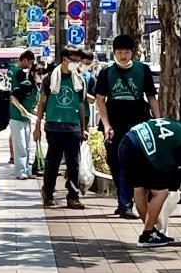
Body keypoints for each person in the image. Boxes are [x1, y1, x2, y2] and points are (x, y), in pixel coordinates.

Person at [119, 119, 181, 247]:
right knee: (161, 191)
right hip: (142, 150)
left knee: (140, 188)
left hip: (126, 143)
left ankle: (150, 232)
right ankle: (148, 234)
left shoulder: (180, 127)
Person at [96, 34, 161, 219]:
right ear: (114, 53)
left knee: (134, 162)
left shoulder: (143, 70)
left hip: (138, 120)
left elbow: (151, 97)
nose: (123, 56)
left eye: (126, 52)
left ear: (133, 52)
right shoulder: (106, 72)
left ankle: (126, 204)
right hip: (114, 121)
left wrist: (157, 122)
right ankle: (123, 201)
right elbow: (100, 101)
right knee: (114, 162)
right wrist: (106, 125)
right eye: (119, 52)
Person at [33, 47, 88, 209]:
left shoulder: (79, 79)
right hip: (54, 127)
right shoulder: (49, 79)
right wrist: (37, 126)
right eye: (74, 60)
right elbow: (42, 103)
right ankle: (48, 194)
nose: (77, 63)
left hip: (73, 128)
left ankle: (73, 196)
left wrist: (84, 128)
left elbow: (81, 105)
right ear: (64, 59)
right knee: (52, 163)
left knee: (74, 164)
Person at [9, 50, 39, 180]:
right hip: (17, 116)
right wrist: (22, 109)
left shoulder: (35, 86)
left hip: (26, 118)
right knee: (20, 144)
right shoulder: (25, 82)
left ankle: (26, 169)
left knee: (27, 145)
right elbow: (13, 96)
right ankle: (20, 170)